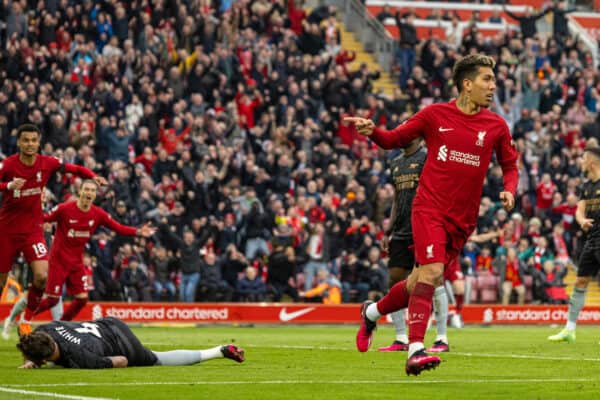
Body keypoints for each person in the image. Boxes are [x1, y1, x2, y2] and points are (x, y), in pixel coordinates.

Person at [345, 54, 518, 375]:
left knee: (418, 282)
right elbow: (394, 139)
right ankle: (415, 349)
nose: (493, 86)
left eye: (494, 80)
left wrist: (510, 188)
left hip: (463, 219)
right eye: (487, 80)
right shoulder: (435, 115)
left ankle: (371, 313)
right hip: (429, 209)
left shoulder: (496, 125)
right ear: (467, 84)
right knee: (432, 274)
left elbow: (509, 164)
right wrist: (372, 131)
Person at [9, 180, 156, 336]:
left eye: (92, 190)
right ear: (80, 191)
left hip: (76, 262)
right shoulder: (65, 209)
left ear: (95, 194)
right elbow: (44, 218)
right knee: (52, 300)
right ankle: (26, 318)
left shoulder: (97, 213)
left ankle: (61, 327)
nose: (89, 193)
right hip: (58, 261)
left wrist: (138, 232)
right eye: (86, 189)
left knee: (82, 299)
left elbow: (117, 227)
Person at [0, 124, 107, 336]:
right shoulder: (9, 165)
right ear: (19, 143)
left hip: (33, 229)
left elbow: (73, 168)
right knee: (1, 282)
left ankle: (26, 319)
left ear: (38, 142)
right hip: (7, 230)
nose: (30, 144)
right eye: (26, 140)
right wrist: (8, 187)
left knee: (41, 276)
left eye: (33, 140)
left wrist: (92, 176)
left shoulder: (46, 163)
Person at [377, 138, 453, 353]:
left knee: (433, 279)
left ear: (418, 137)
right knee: (396, 279)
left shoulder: (428, 157)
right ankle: (401, 338)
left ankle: (441, 338)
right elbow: (397, 199)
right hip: (401, 230)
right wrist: (388, 230)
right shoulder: (396, 162)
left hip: (425, 226)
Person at [17, 316, 244, 369]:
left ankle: (219, 351)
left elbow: (122, 360)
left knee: (156, 359)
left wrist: (103, 361)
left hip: (123, 344)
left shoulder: (82, 358)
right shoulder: (45, 328)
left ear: (45, 358)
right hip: (108, 322)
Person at [549, 145, 600, 343]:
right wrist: (581, 221)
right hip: (592, 238)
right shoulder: (586, 186)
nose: (580, 162)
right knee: (580, 281)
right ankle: (569, 330)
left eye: (583, 158)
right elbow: (579, 211)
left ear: (592, 162)